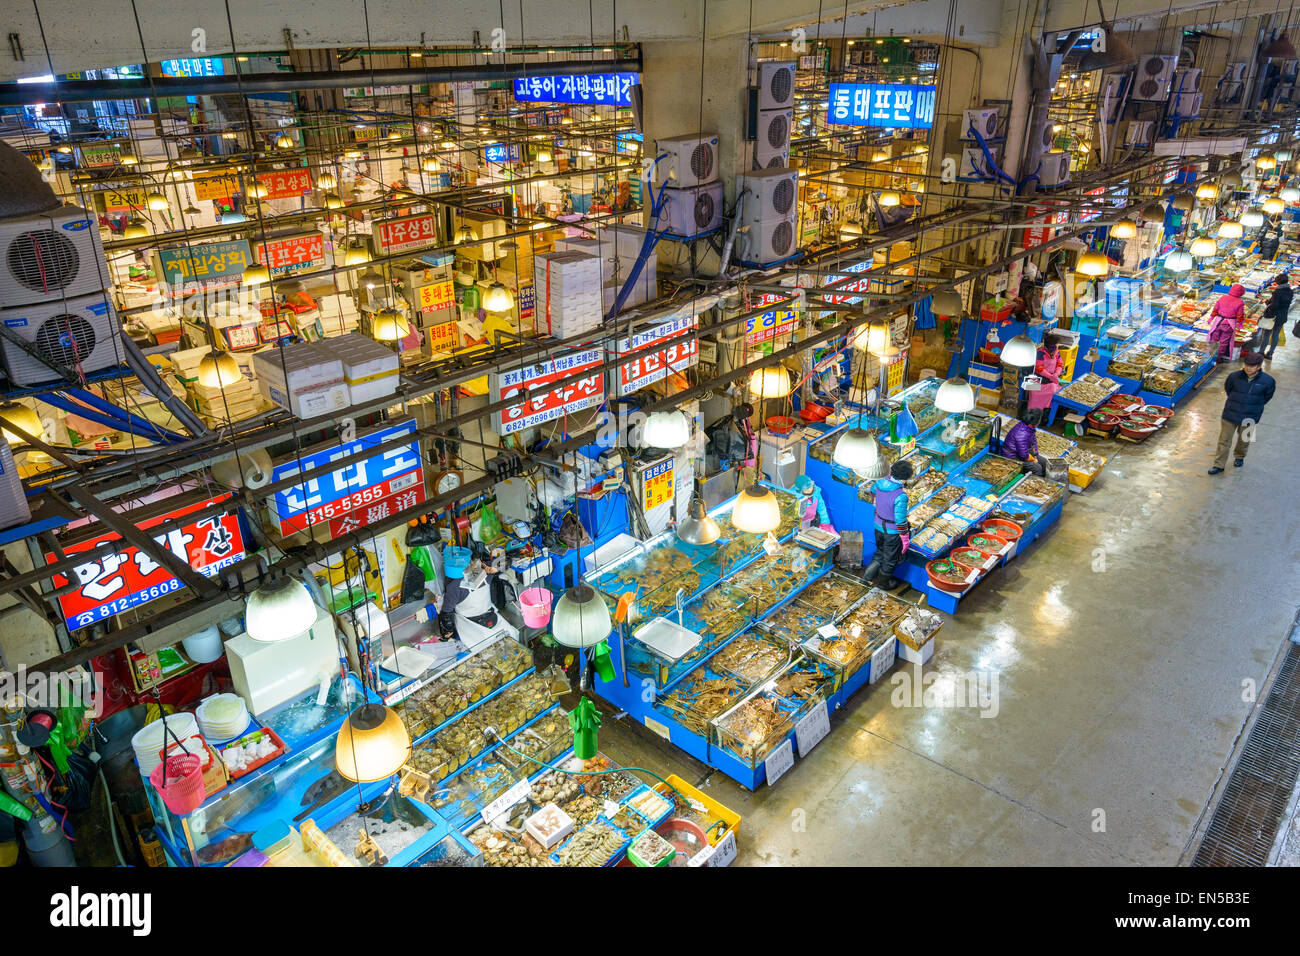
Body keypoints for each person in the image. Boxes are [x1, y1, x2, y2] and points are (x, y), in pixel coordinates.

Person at [1209, 351, 1276, 474]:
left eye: (1252, 366)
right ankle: (1219, 465)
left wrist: (1253, 405)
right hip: (1230, 413)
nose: (1248, 368)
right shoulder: (1234, 376)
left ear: (1259, 366)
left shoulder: (1268, 381)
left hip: (1251, 415)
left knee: (1245, 439)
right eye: (1246, 365)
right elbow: (1228, 390)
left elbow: (1267, 397)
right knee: (1224, 440)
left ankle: (1240, 457)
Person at [860, 460, 913, 592]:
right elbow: (900, 520)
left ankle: (866, 578)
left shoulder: (879, 482)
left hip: (878, 526)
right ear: (904, 478)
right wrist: (905, 538)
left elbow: (871, 491)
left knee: (879, 553)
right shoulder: (901, 496)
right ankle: (883, 584)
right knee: (889, 560)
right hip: (891, 532)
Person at [1025, 337, 1065, 426]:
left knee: (1054, 392)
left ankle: (1045, 416)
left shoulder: (1057, 353)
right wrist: (1050, 376)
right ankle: (1031, 418)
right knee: (1034, 395)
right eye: (1052, 347)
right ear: (1046, 346)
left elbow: (1060, 364)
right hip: (1036, 379)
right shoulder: (1039, 353)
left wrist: (1056, 374)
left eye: (1055, 347)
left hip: (1051, 380)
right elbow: (1039, 368)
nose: (1053, 350)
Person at [1207, 283, 1246, 363]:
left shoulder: (1223, 297)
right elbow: (1240, 314)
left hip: (1218, 322)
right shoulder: (1240, 302)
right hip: (1229, 325)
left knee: (1214, 339)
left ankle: (1209, 355)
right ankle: (1218, 357)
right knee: (1223, 342)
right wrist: (1240, 324)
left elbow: (1216, 308)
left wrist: (1211, 318)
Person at [1259, 273, 1292, 360]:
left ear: (1278, 282)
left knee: (1266, 335)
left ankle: (1261, 352)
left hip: (1273, 317)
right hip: (1282, 316)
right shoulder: (1290, 291)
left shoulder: (1277, 292)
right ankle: (1270, 353)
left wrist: (1267, 302)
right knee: (1275, 334)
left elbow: (1274, 306)